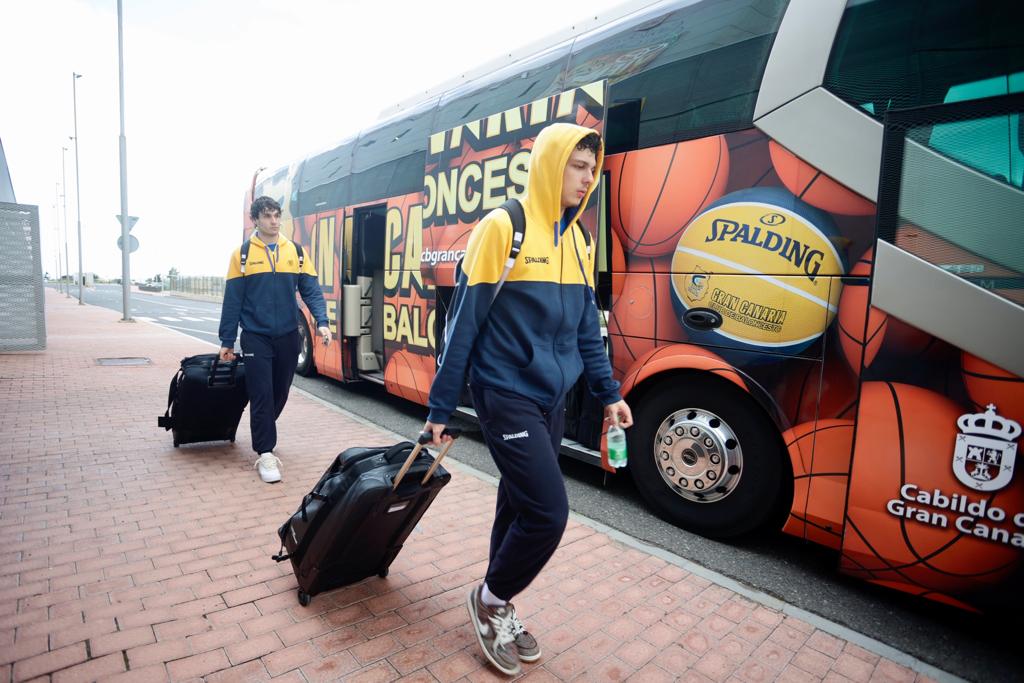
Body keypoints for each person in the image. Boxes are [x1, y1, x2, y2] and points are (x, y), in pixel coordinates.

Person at [424, 123, 633, 675]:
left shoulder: (580, 238)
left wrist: (609, 394)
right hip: (505, 393)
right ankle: (489, 599)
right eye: (578, 166)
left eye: (593, 169)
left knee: (518, 502)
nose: (588, 178)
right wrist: (440, 410)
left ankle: (499, 602)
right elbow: (462, 325)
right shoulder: (504, 227)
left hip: (552, 398)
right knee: (548, 512)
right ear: (550, 165)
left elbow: (588, 328)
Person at [218, 196, 331, 483]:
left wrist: (323, 322)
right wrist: (227, 340)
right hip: (256, 336)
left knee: (280, 391)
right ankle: (265, 453)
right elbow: (232, 301)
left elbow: (311, 290)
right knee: (262, 393)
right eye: (267, 216)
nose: (274, 221)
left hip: (288, 335)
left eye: (277, 215)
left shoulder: (295, 252)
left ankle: (264, 425)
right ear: (255, 220)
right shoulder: (242, 255)